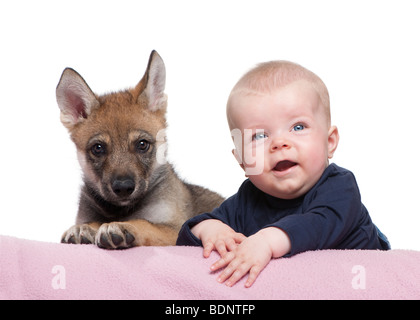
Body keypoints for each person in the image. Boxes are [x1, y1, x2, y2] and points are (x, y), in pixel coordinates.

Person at [176, 60, 390, 288]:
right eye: (259, 136)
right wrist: (211, 230)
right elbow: (185, 241)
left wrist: (266, 242)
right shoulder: (247, 200)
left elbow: (317, 225)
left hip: (358, 282)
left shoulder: (340, 187)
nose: (279, 143)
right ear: (242, 161)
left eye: (298, 127)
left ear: (329, 142)